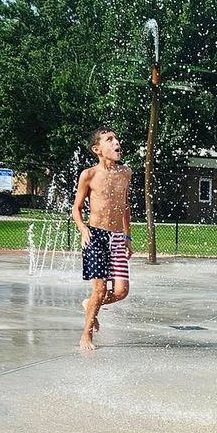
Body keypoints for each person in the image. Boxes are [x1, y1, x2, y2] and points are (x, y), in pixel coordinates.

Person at [72, 126, 132, 352]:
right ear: (97, 149)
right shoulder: (89, 175)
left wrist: (128, 237)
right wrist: (82, 228)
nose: (116, 142)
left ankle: (89, 305)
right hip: (95, 235)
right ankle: (86, 334)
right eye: (110, 139)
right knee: (99, 290)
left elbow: (125, 206)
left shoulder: (126, 173)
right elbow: (76, 209)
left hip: (117, 237)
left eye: (116, 138)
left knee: (121, 292)